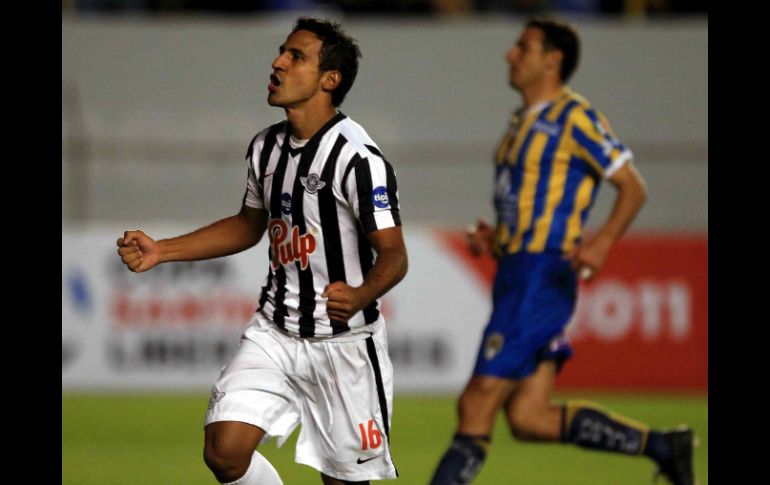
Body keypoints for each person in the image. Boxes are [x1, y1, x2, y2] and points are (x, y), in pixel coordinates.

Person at [116, 17, 408, 485]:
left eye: (296, 56)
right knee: (225, 451)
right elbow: (248, 226)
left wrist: (358, 294)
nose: (278, 62)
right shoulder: (265, 148)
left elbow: (394, 254)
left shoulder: (358, 159)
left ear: (329, 80)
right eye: (281, 51)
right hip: (275, 333)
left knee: (344, 481)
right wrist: (161, 251)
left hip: (345, 347)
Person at [428, 18, 696, 485]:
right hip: (515, 270)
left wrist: (603, 240)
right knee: (530, 418)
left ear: (552, 60)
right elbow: (531, 203)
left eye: (523, 47)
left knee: (477, 399)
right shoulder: (519, 123)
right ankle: (662, 446)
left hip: (541, 276)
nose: (510, 54)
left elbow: (632, 187)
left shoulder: (575, 117)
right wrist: (498, 238)